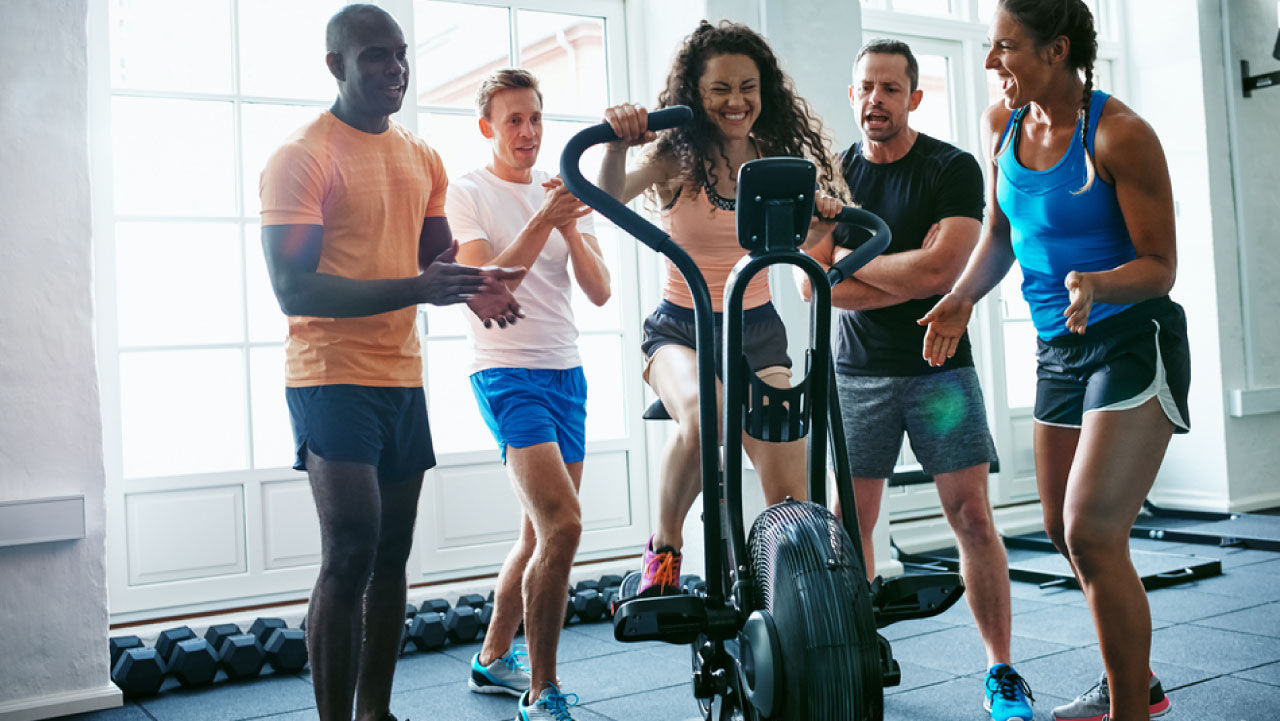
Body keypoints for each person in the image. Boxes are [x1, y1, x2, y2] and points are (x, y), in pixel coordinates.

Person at [919, 2, 1189, 720]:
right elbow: (1002, 235)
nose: (989, 62)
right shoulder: (1002, 124)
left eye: (1003, 46)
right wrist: (961, 297)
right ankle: (1137, 678)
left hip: (1132, 338)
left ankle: (1129, 707)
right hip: (1057, 349)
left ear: (1055, 50)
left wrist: (1099, 283)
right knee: (1067, 531)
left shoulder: (1121, 135)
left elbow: (1161, 265)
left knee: (1093, 530)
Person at [258, 6, 525, 721]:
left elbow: (434, 263)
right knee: (349, 548)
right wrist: (418, 288)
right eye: (376, 55)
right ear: (336, 65)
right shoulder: (302, 155)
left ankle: (377, 713)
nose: (395, 68)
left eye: (401, 55)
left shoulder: (419, 156)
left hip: (399, 376)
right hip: (328, 372)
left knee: (391, 555)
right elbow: (293, 288)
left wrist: (478, 287)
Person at [802, 38, 1033, 721]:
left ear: (914, 97)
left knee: (971, 515)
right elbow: (819, 287)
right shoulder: (832, 177)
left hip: (938, 372)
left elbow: (945, 273)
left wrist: (853, 260)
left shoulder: (950, 167)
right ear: (853, 96)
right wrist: (893, 269)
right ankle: (855, 651)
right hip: (857, 373)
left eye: (890, 89)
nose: (876, 100)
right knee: (853, 521)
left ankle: (1002, 670)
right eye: (865, 88)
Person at [598, 20, 844, 598]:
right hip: (679, 329)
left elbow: (807, 248)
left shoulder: (779, 159)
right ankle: (664, 551)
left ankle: (789, 592)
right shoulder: (675, 158)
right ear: (696, 95)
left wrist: (822, 217)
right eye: (719, 90)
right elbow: (608, 200)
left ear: (765, 92)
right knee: (709, 414)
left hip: (757, 330)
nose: (736, 102)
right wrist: (615, 143)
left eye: (748, 87)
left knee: (792, 495)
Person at [447, 68, 611, 721]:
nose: (527, 131)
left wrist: (570, 224)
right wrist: (546, 215)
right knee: (564, 526)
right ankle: (543, 689)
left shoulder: (564, 192)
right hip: (506, 373)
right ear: (488, 127)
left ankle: (491, 658)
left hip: (565, 372)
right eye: (513, 120)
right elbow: (492, 288)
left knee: (537, 533)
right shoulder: (470, 192)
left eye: (536, 118)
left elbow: (598, 291)